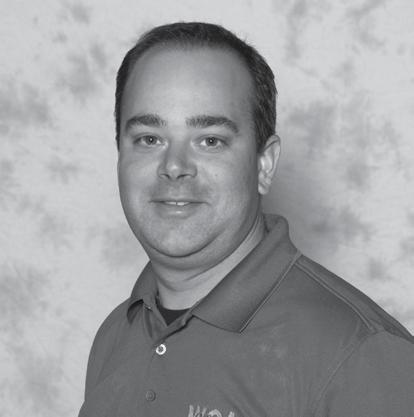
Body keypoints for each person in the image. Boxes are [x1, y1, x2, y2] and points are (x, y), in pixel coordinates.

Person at [78, 22, 414, 417]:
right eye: (149, 139)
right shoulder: (116, 335)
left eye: (210, 140)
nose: (174, 166)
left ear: (264, 165)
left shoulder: (361, 357)